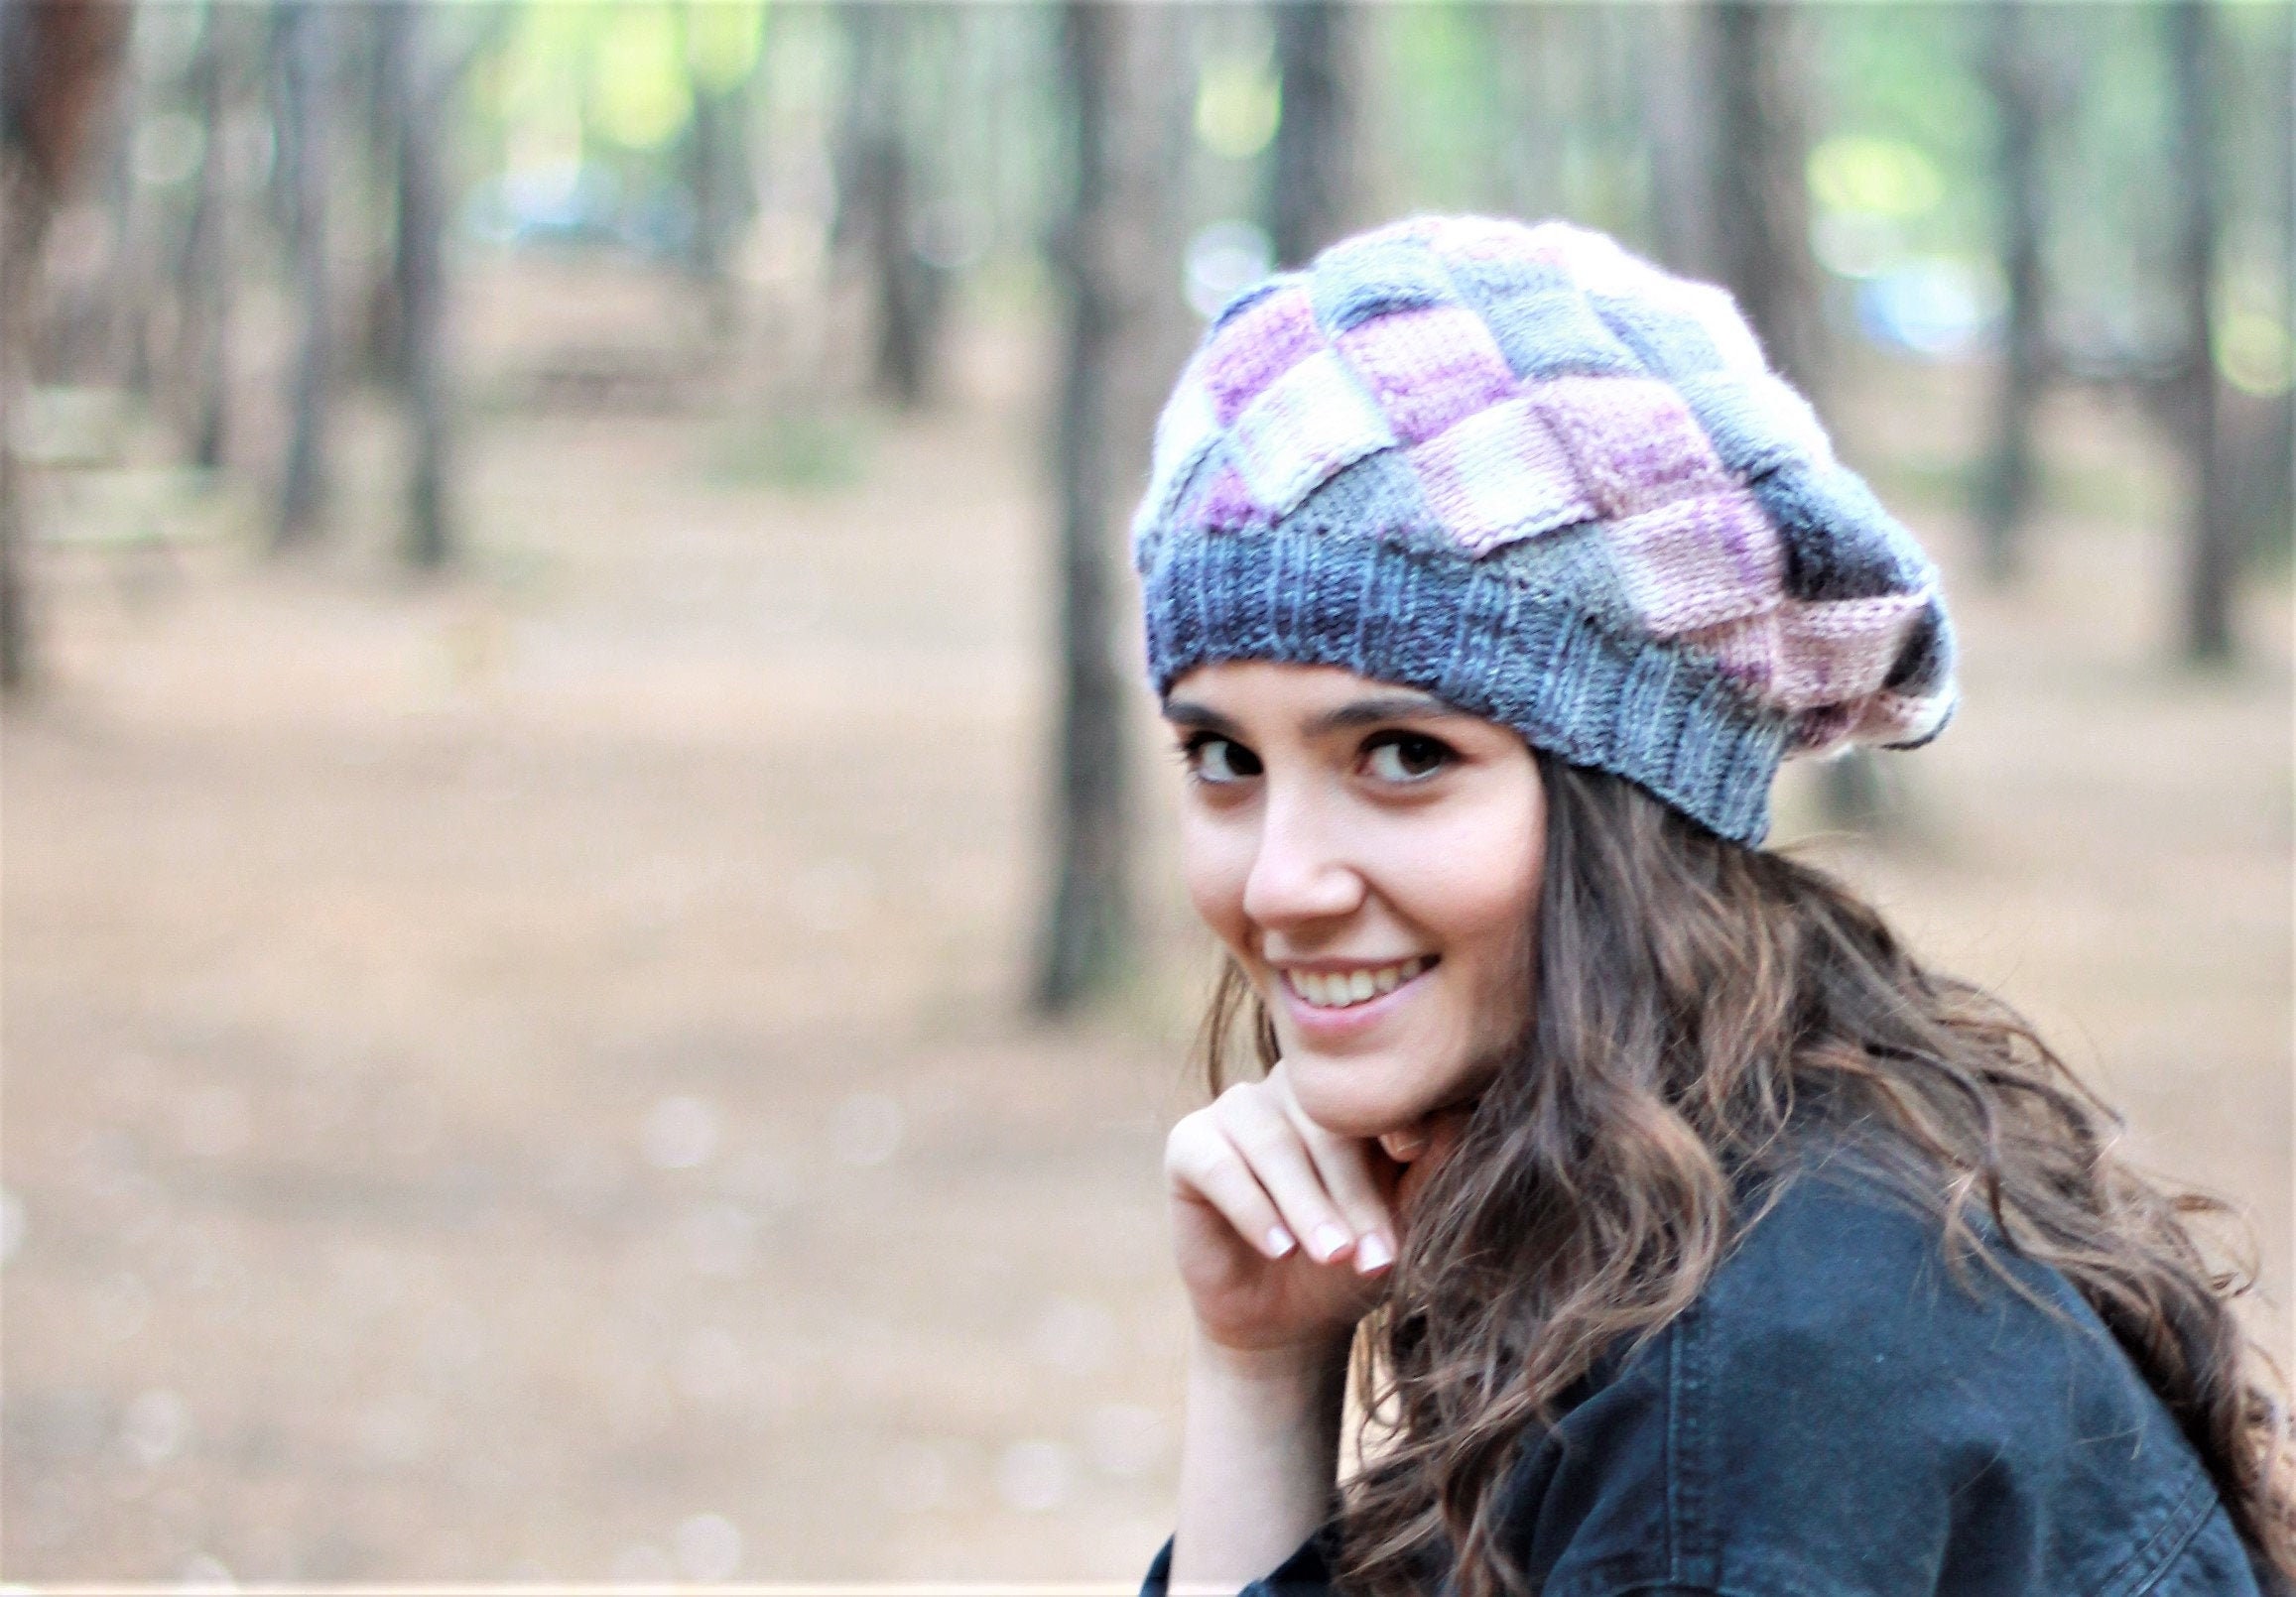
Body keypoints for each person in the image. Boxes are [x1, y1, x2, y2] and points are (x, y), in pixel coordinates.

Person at [1125, 216, 2294, 1597]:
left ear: (1634, 794)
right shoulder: (1717, 1202)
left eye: (1403, 755)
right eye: (1224, 759)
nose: (1278, 882)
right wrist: (1262, 1365)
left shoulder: (1749, 1394)